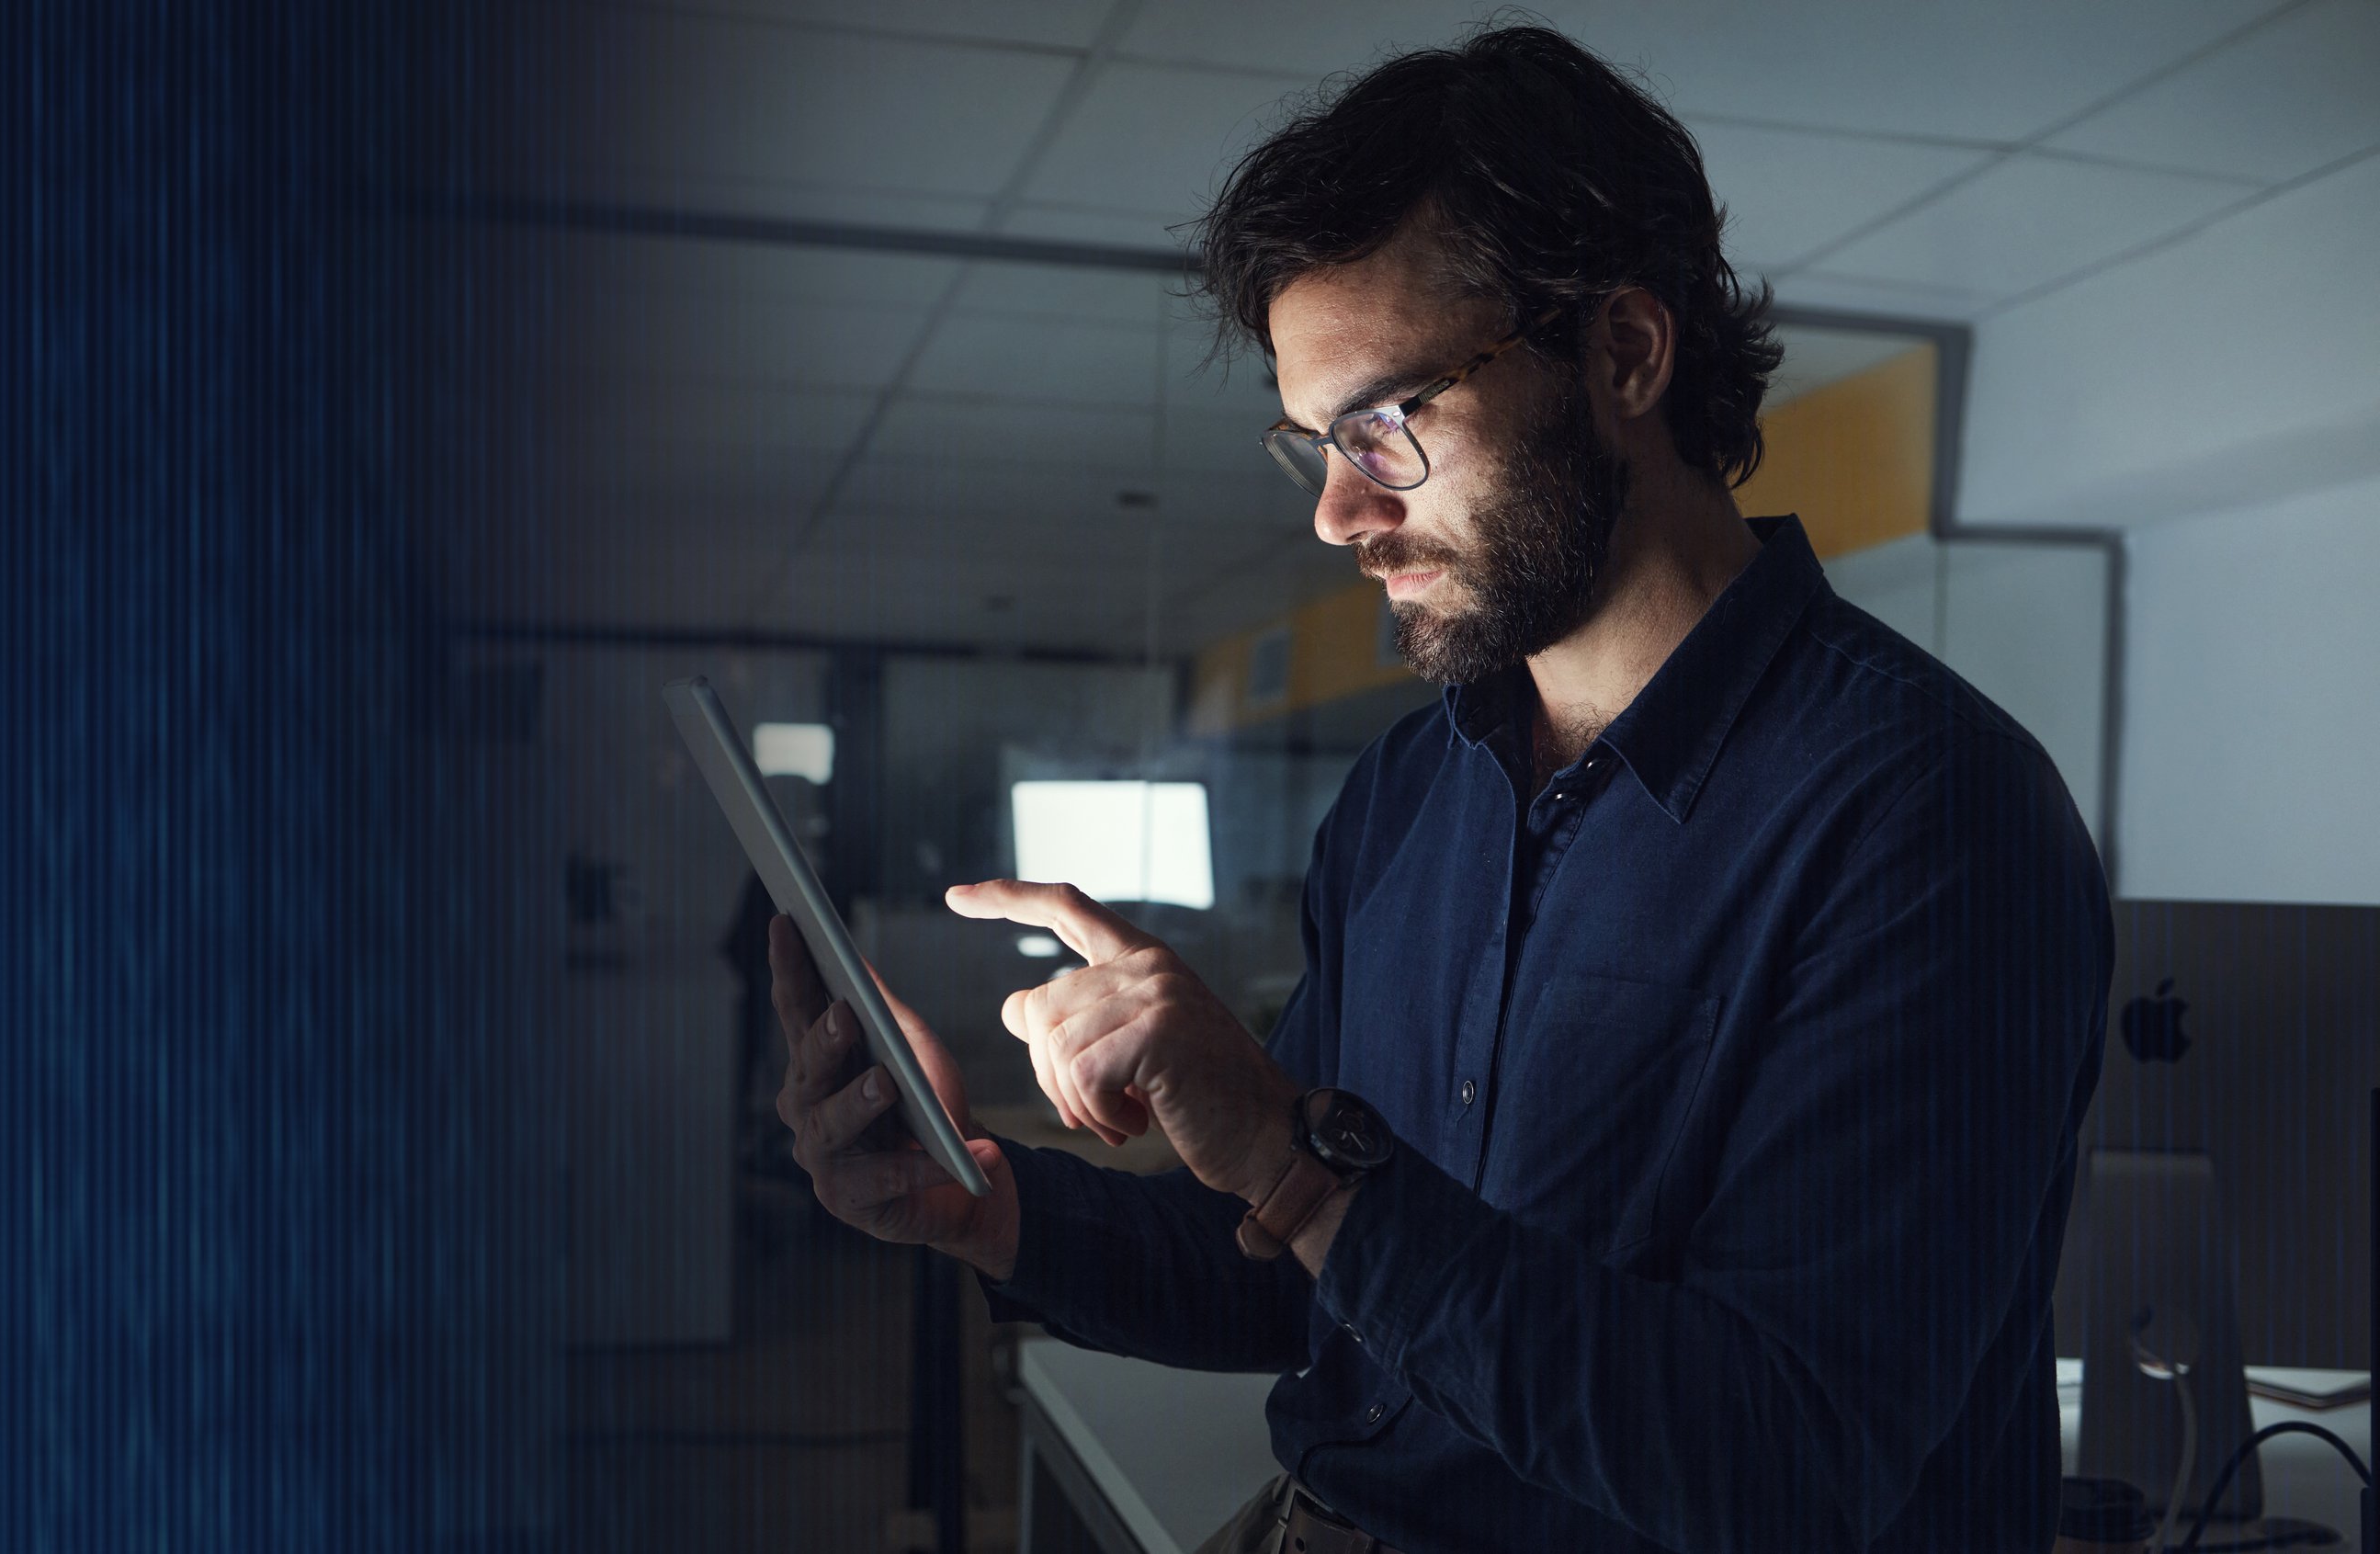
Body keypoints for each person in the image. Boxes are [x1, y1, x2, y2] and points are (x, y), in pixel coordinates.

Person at [768, 25, 2110, 1554]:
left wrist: (1290, 1147)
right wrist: (981, 1204)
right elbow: (1305, 1263)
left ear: (1622, 354)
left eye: (1387, 424)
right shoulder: (1417, 790)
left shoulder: (1927, 818)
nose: (1339, 511)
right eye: (1315, 443)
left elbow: (1786, 1465)